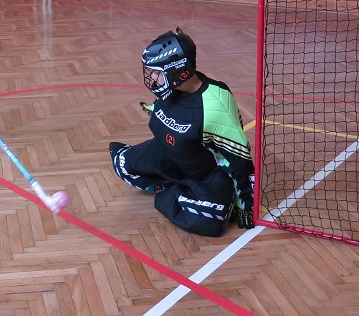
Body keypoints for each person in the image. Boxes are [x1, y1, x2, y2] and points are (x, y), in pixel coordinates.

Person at [109, 27, 256, 236]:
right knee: (121, 164)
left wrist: (245, 204)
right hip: (171, 154)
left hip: (207, 172)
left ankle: (169, 189)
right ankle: (176, 189)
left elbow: (240, 161)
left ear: (180, 72)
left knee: (209, 220)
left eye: (157, 74)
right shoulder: (170, 91)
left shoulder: (214, 104)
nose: (152, 79)